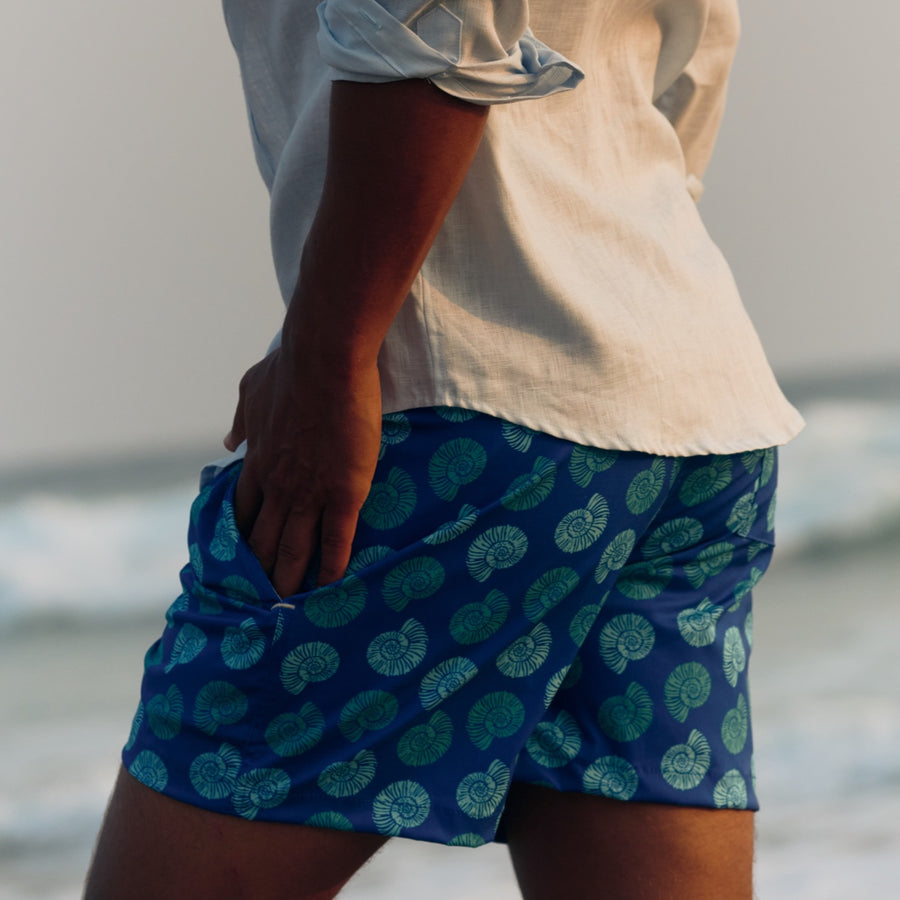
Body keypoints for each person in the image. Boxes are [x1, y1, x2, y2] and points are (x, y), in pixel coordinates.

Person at [85, 1, 803, 897]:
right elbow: (691, 48)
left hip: (467, 409)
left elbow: (431, 28)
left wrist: (328, 352)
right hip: (683, 401)